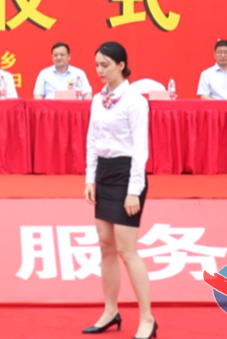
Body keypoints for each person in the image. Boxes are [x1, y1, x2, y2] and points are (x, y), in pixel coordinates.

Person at [83, 42, 156, 338]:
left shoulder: (135, 101)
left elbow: (140, 149)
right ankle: (110, 311)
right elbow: (92, 141)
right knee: (106, 246)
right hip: (104, 172)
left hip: (127, 175)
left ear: (121, 65)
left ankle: (147, 318)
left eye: (105, 65)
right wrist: (90, 178)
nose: (99, 70)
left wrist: (133, 190)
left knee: (127, 250)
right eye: (97, 65)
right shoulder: (97, 99)